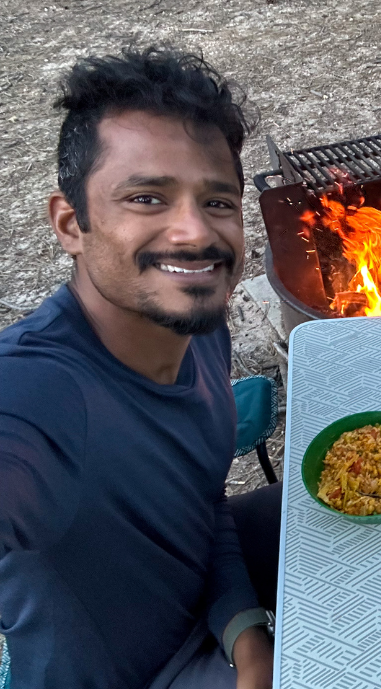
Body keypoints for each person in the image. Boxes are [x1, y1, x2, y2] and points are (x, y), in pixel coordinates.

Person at [0, 47, 281, 688]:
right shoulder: (38, 392)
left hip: (204, 623)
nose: (194, 233)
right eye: (148, 198)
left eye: (217, 202)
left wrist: (249, 641)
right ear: (72, 223)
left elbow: (200, 507)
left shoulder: (195, 329)